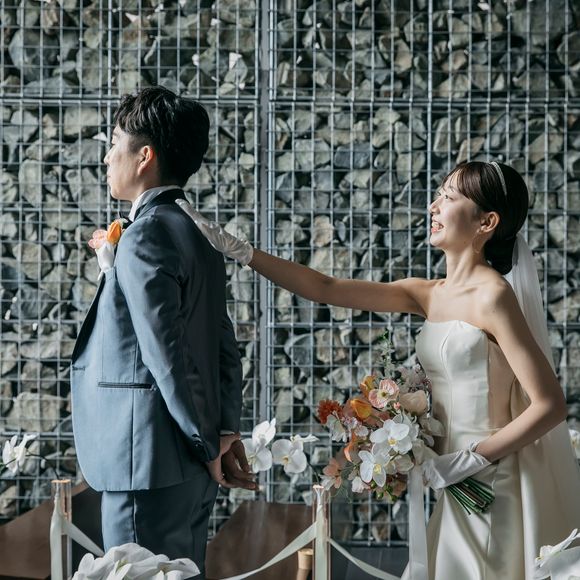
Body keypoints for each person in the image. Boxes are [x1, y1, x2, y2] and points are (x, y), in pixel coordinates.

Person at [177, 161, 580, 579]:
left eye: (449, 197)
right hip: (449, 480)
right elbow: (325, 288)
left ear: (487, 222)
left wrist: (469, 459)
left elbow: (549, 405)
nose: (433, 206)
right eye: (438, 194)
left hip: (490, 480)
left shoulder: (494, 296)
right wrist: (242, 252)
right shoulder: (427, 293)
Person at [70, 86, 255, 576]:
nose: (107, 156)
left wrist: (205, 442)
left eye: (115, 142)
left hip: (145, 463)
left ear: (144, 156)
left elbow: (166, 354)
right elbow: (224, 344)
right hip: (187, 463)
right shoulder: (198, 233)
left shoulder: (146, 234)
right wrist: (222, 433)